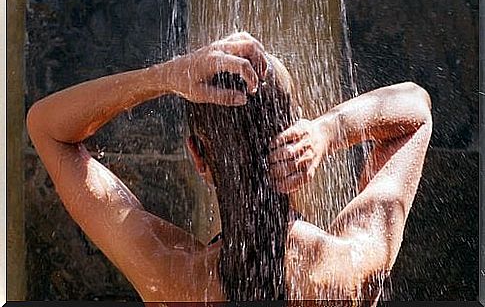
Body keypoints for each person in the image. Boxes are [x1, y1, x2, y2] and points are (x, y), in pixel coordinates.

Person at [27, 32, 432, 305]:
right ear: (295, 135)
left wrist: (165, 76)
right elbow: (415, 108)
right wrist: (329, 130)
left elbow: (48, 128)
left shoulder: (171, 275)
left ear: (197, 155)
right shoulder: (350, 266)